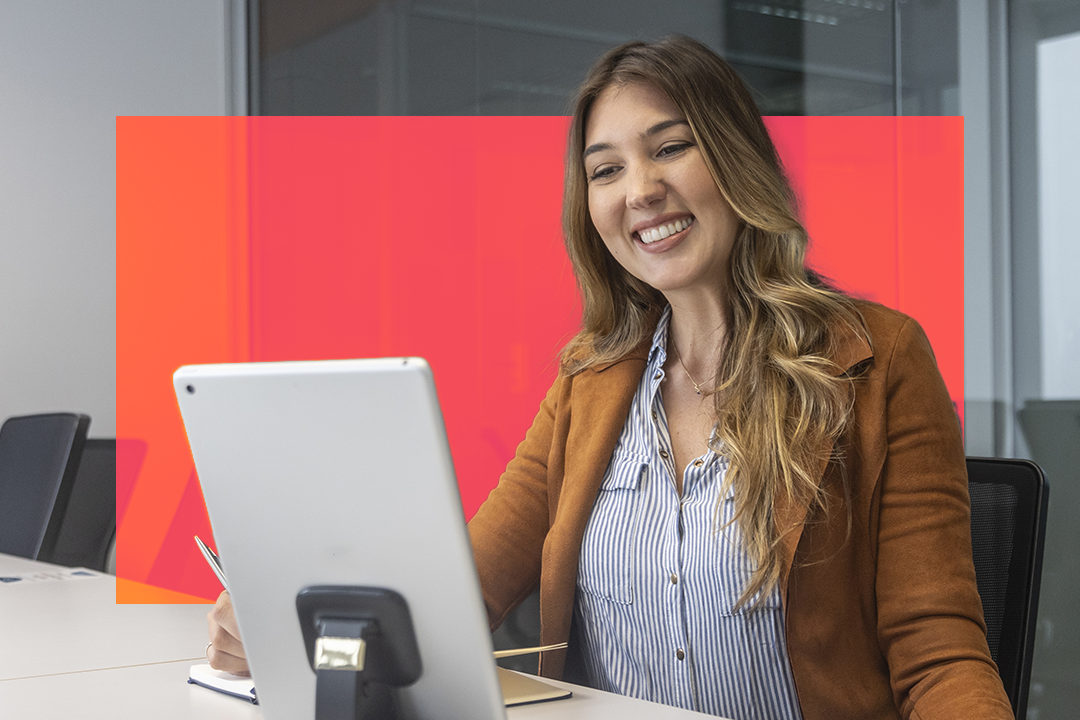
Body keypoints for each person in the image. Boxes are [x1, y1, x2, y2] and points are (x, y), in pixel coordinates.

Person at [209, 36, 1013, 720]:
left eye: (669, 147)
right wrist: (288, 624)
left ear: (736, 159)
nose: (640, 191)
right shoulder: (589, 383)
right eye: (605, 170)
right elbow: (462, 595)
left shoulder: (875, 361)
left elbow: (936, 653)